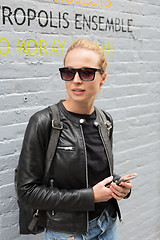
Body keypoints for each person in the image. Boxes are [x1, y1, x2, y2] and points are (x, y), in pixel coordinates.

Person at [17, 39, 137, 240]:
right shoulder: (43, 122)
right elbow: (27, 191)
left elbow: (93, 170)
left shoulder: (105, 120)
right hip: (68, 233)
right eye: (69, 72)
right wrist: (90, 197)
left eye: (86, 72)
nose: (76, 80)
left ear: (103, 78)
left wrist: (117, 185)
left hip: (107, 223)